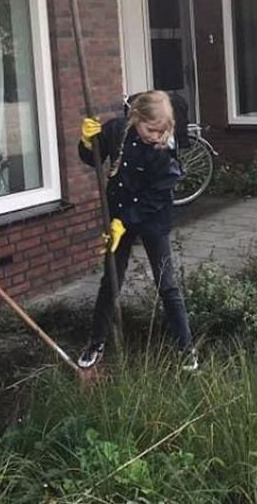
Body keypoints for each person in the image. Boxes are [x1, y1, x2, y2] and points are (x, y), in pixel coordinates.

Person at [77, 91, 196, 370]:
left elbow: (157, 196)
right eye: (150, 130)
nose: (156, 136)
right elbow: (92, 159)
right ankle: (96, 343)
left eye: (162, 131)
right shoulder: (117, 131)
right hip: (118, 213)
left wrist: (124, 221)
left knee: (167, 285)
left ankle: (186, 349)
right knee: (111, 281)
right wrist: (86, 142)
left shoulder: (164, 150)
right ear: (135, 118)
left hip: (152, 218)